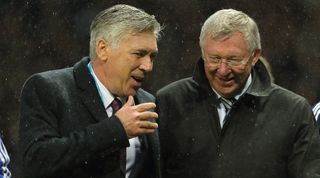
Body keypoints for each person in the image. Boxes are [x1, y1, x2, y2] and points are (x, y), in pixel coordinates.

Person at [156, 9, 320, 178]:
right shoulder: (170, 102)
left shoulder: (292, 111)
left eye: (234, 60)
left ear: (255, 56)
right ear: (203, 52)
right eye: (214, 58)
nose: (223, 70)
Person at [19, 4, 162, 178]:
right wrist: (114, 130)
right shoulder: (49, 89)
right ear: (103, 49)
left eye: (152, 56)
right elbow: (35, 162)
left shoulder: (149, 103)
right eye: (139, 54)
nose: (148, 66)